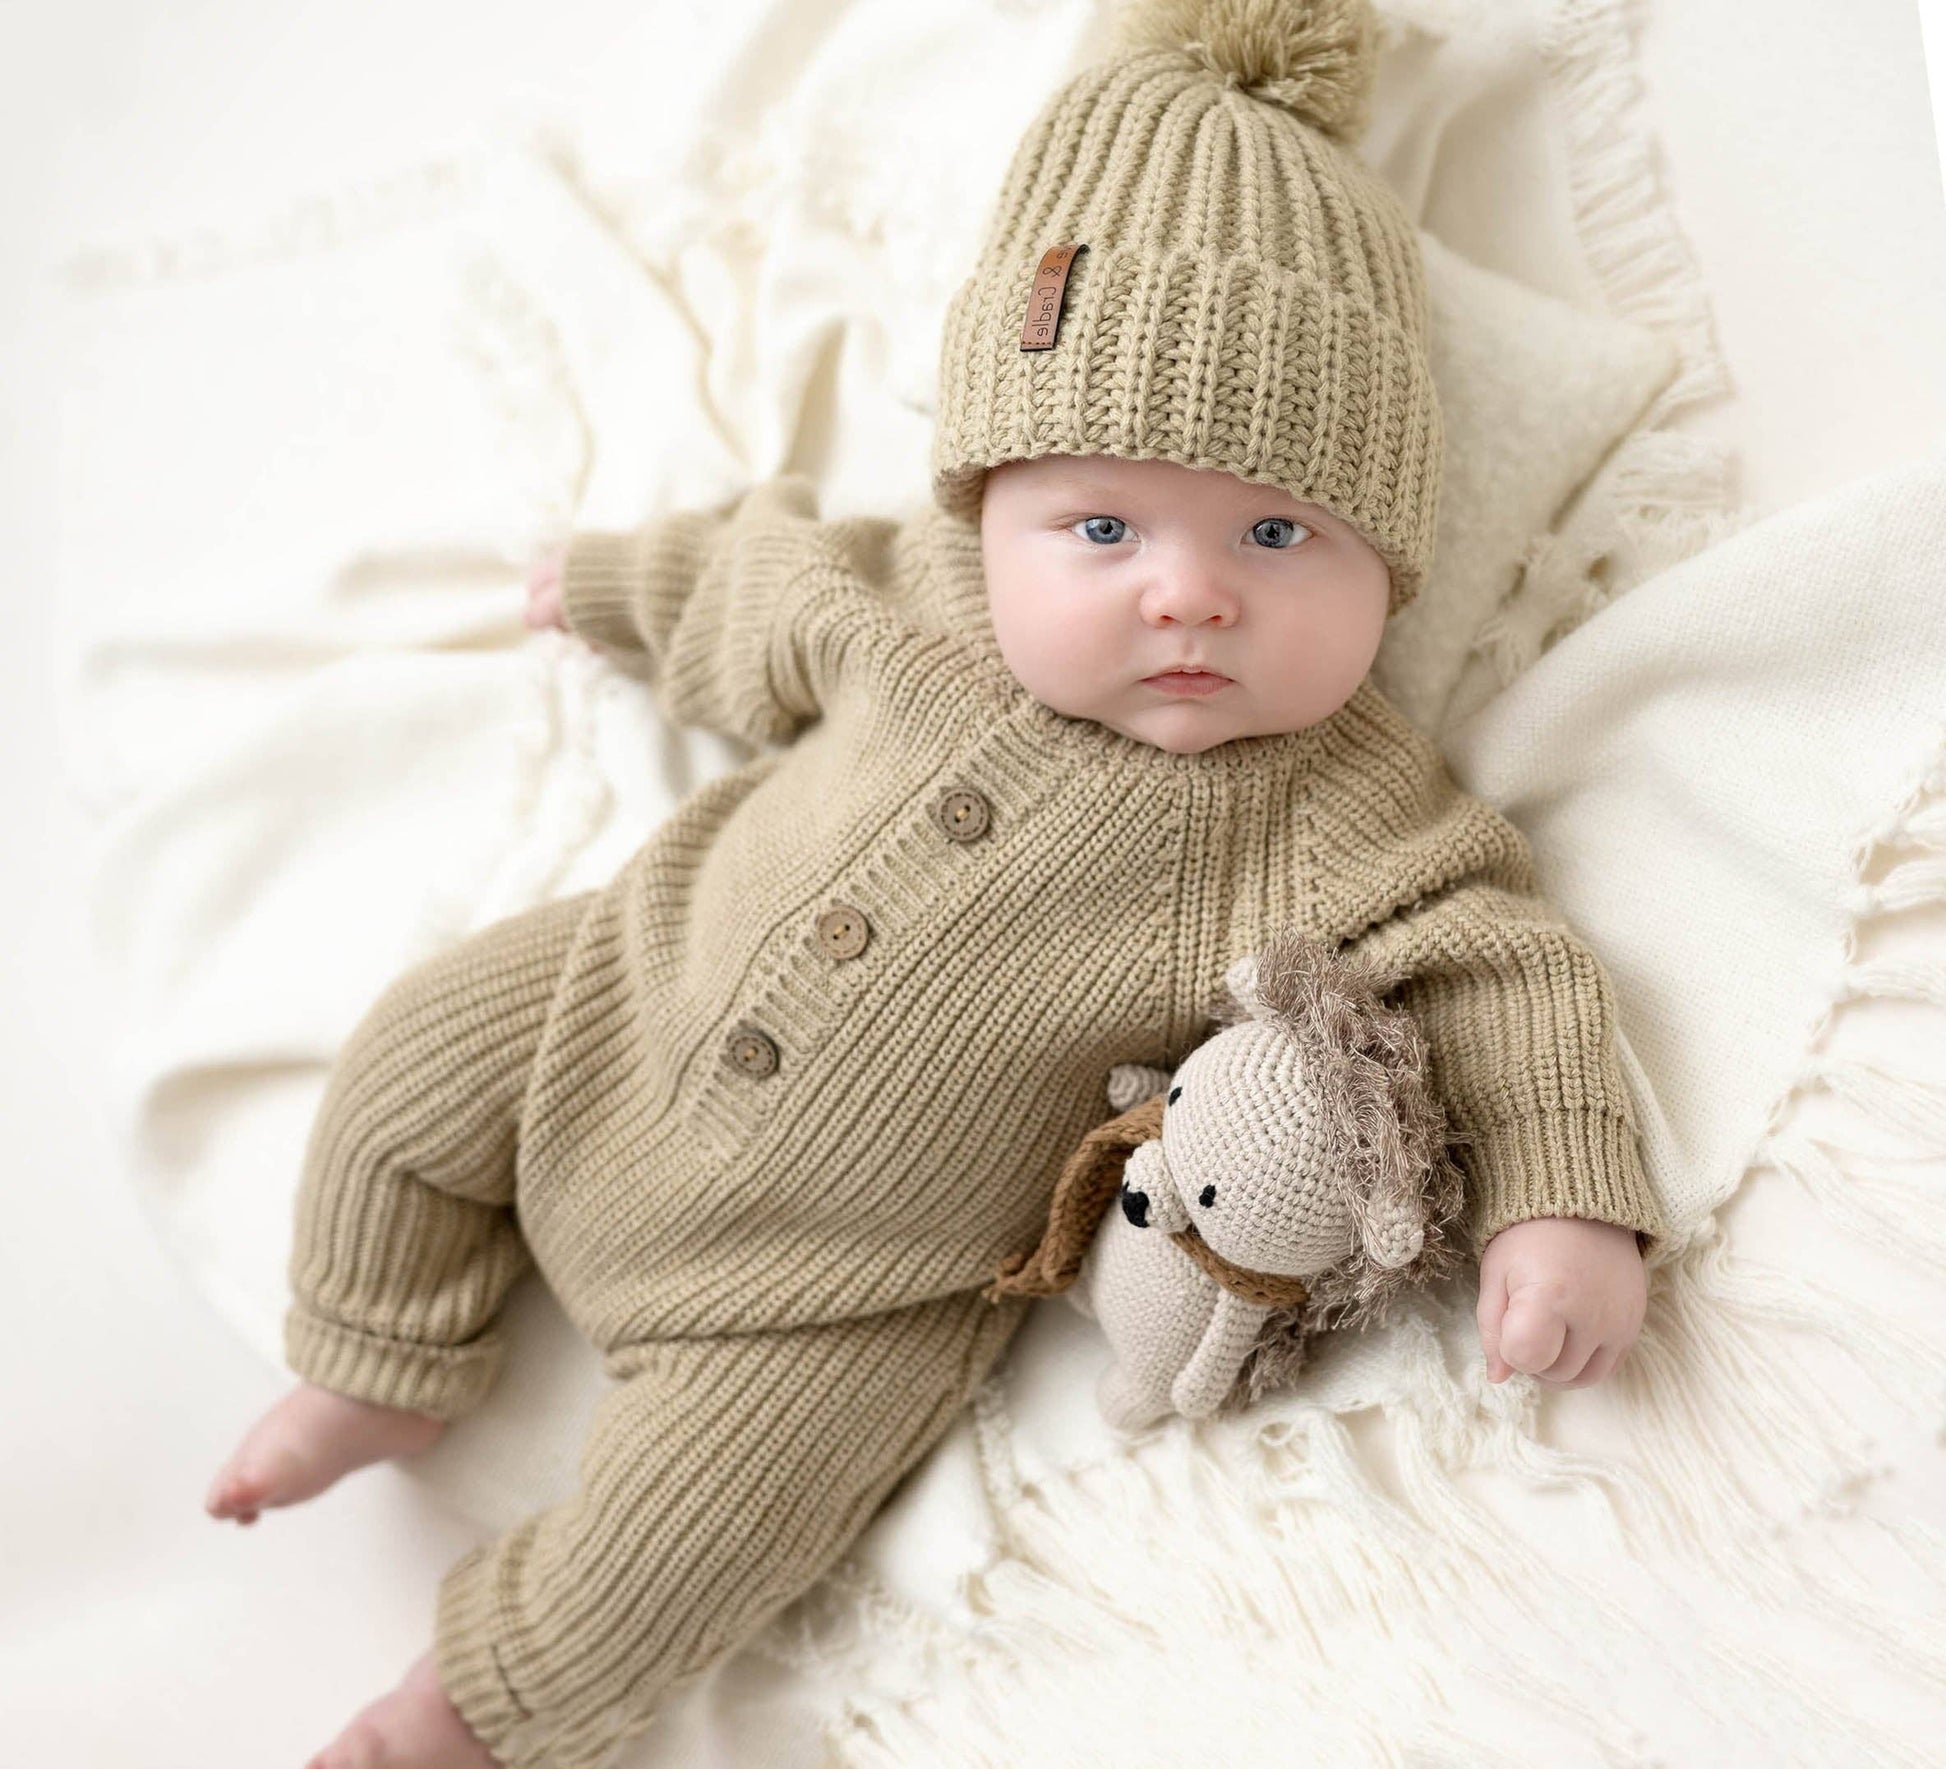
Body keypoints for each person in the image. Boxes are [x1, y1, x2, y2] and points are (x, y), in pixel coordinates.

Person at [206, 2, 1664, 1763]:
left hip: (841, 1295)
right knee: (415, 1052)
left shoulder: (1331, 804)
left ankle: (459, 1706)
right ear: (986, 506)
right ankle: (375, 1358)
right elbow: (748, 591)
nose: (1186, 593)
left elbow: (1494, 967)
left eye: (1276, 534)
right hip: (608, 1009)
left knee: (697, 1539)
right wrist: (610, 582)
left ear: (1390, 564)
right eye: (1102, 528)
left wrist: (1558, 1198)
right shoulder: (914, 594)